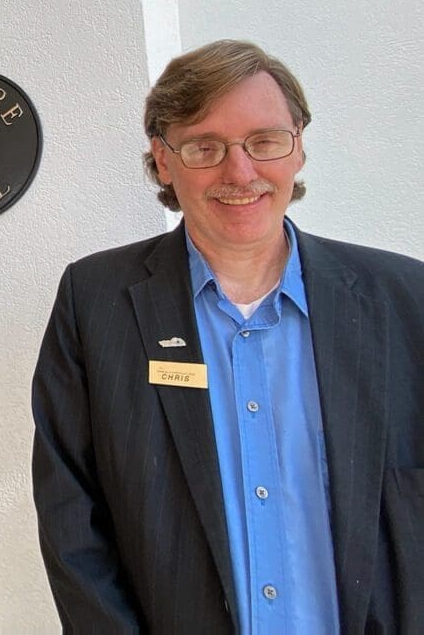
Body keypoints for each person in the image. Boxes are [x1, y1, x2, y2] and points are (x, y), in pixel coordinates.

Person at [31, 40, 423, 633]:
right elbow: (71, 521)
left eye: (264, 142)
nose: (240, 172)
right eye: (204, 147)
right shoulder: (96, 303)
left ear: (297, 148)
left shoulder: (406, 300)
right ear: (164, 162)